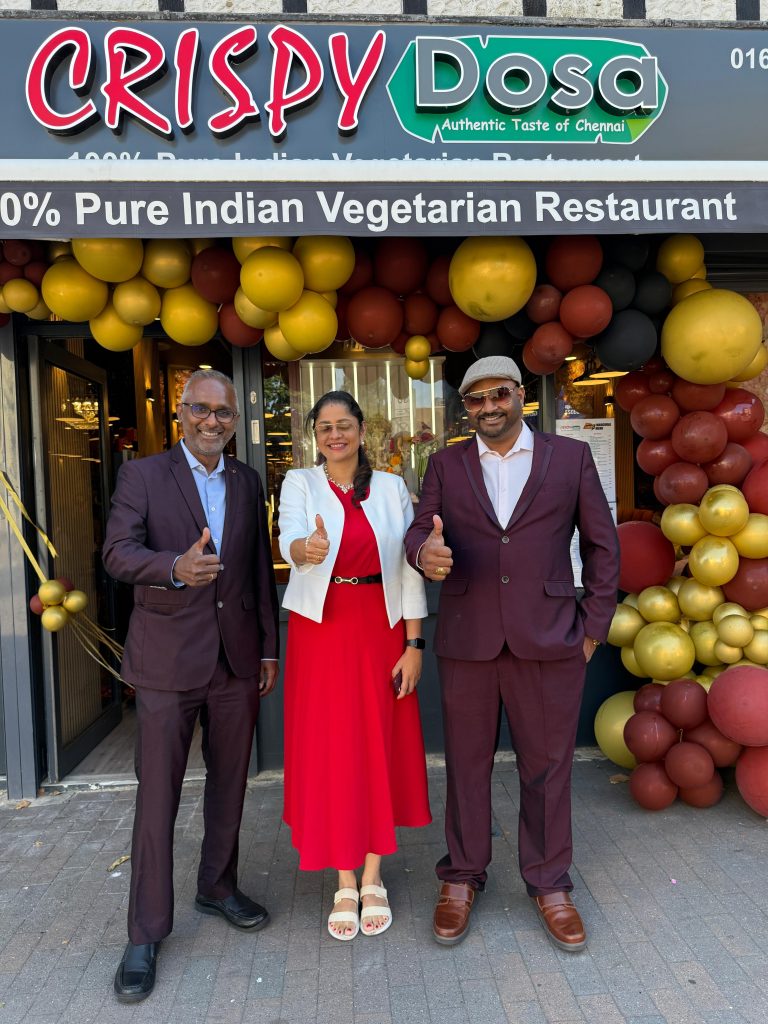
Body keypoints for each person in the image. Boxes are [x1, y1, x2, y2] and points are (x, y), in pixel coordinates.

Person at [405, 355, 618, 952]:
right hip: (468, 639)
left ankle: (549, 883)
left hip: (550, 637)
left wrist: (593, 628)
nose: (489, 407)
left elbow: (602, 544)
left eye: (499, 394)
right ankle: (462, 876)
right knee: (466, 765)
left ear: (520, 395)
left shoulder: (569, 457)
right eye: (476, 399)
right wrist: (425, 554)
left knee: (548, 767)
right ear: (466, 408)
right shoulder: (445, 463)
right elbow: (420, 530)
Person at [103, 369, 279, 1002]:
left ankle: (218, 886)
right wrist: (173, 567)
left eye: (223, 413)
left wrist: (267, 648)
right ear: (181, 412)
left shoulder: (247, 480)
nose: (212, 421)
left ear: (235, 421)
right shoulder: (144, 476)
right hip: (166, 665)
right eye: (201, 409)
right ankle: (145, 932)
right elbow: (116, 553)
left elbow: (257, 571)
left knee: (231, 784)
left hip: (235, 661)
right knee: (158, 797)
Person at [278, 390, 430, 941]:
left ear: (362, 431)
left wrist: (415, 644)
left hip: (379, 627)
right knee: (333, 747)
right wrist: (306, 549)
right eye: (324, 427)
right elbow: (289, 536)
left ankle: (372, 875)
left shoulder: (391, 488)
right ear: (315, 437)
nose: (335, 435)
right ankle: (344, 878)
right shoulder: (300, 482)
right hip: (322, 629)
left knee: (376, 744)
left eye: (344, 425)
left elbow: (410, 568)